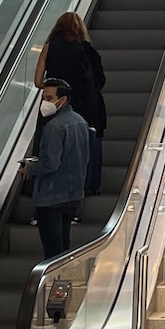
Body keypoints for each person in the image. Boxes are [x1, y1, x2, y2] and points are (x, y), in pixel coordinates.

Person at [35, 11, 107, 194]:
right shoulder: (85, 49)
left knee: (48, 146)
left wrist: (53, 87)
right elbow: (100, 81)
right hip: (81, 108)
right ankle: (81, 191)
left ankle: (43, 192)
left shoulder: (49, 47)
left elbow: (37, 82)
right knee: (76, 151)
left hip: (54, 106)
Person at [21, 79, 91, 259]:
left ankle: (52, 284)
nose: (45, 102)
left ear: (63, 99)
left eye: (50, 98)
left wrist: (30, 167)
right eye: (44, 98)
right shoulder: (80, 121)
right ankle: (62, 283)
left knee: (52, 251)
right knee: (63, 248)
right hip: (73, 193)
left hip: (51, 196)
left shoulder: (54, 126)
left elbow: (50, 163)